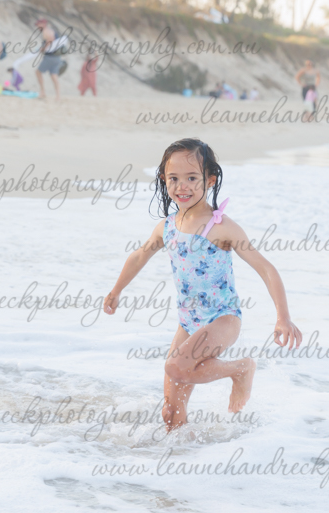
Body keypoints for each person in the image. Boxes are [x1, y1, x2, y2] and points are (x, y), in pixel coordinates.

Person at [103, 139, 302, 431]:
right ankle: (180, 454)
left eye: (192, 178)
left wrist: (283, 317)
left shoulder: (221, 227)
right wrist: (116, 290)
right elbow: (139, 256)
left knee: (176, 367)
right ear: (163, 179)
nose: (181, 186)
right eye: (174, 178)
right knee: (171, 412)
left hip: (222, 318)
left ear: (210, 179)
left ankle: (241, 369)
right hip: (188, 320)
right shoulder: (167, 226)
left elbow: (265, 268)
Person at [34, 18, 68, 100]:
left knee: (38, 72)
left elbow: (50, 40)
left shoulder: (46, 31)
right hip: (57, 57)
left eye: (38, 25)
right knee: (54, 76)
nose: (37, 27)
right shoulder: (51, 30)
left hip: (50, 57)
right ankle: (58, 96)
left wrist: (43, 49)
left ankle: (42, 92)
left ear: (43, 24)